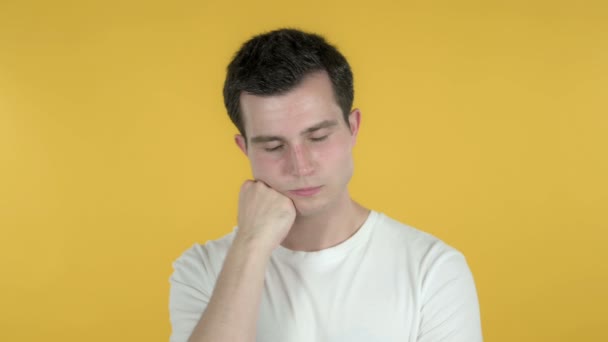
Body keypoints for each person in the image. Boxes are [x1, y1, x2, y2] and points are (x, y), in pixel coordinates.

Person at [169, 28, 482, 342]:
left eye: (318, 137)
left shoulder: (433, 269)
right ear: (245, 149)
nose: (301, 166)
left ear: (353, 128)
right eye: (273, 146)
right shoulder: (202, 270)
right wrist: (251, 246)